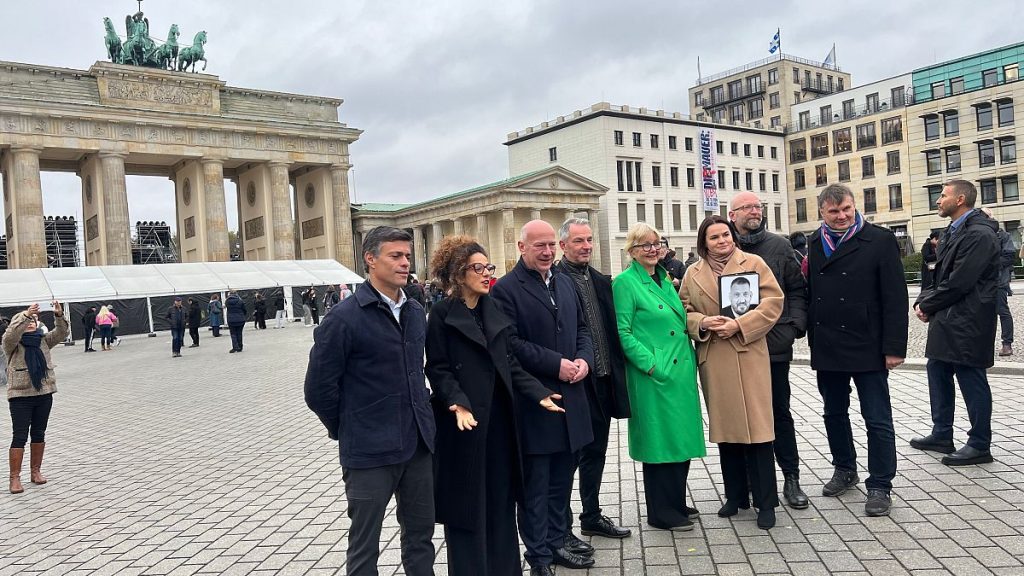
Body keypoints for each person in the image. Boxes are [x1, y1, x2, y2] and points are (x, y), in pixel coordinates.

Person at [426, 235, 563, 576]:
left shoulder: (493, 308)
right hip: (465, 426)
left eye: (488, 266)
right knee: (467, 509)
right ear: (458, 273)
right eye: (478, 268)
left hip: (500, 423)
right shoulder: (441, 314)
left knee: (501, 503)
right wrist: (457, 402)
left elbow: (509, 363)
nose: (487, 273)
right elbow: (438, 368)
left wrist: (537, 392)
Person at [304, 226, 435, 576]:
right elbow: (318, 390)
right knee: (365, 546)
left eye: (407, 256)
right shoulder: (344, 318)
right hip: (369, 452)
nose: (405, 263)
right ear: (370, 259)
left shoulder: (414, 311)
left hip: (417, 446)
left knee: (421, 538)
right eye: (396, 255)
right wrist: (349, 426)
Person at [491, 220, 595, 575]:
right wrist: (556, 364)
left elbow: (582, 328)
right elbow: (511, 344)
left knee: (562, 482)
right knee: (536, 487)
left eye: (552, 245)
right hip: (536, 402)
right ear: (522, 247)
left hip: (572, 399)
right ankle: (538, 556)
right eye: (540, 246)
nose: (548, 252)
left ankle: (557, 540)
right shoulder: (506, 290)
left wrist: (584, 359)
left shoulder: (564, 282)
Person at [806, 184, 907, 517]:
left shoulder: (879, 239)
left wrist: (894, 347)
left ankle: (880, 484)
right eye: (834, 211)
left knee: (877, 418)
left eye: (847, 209)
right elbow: (812, 292)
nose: (842, 216)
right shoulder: (814, 242)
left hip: (868, 343)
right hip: (828, 343)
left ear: (854, 206)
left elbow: (895, 297)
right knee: (833, 413)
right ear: (822, 212)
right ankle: (844, 468)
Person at [680, 215, 784, 530]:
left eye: (725, 234)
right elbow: (682, 310)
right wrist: (702, 323)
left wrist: (739, 325)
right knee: (727, 431)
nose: (722, 241)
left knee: (759, 430)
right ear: (704, 243)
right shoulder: (692, 273)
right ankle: (735, 496)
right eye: (714, 237)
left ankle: (766, 502)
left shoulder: (753, 263)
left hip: (748, 353)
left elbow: (773, 302)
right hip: (715, 357)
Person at [613, 222, 705, 532]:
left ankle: (675, 501)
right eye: (645, 245)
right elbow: (622, 332)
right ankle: (661, 512)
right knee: (659, 443)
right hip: (653, 376)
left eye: (656, 243)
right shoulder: (625, 283)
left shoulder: (664, 278)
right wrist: (651, 365)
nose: (653, 249)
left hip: (679, 372)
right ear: (632, 251)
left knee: (679, 439)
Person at [729, 191, 810, 510]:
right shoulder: (723, 246)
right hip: (737, 347)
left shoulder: (780, 246)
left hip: (774, 344)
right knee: (743, 413)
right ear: (732, 214)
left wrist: (794, 327)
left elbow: (797, 289)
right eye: (747, 207)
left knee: (779, 412)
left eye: (757, 206)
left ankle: (791, 477)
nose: (754, 211)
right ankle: (752, 482)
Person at [554, 218, 632, 544]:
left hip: (601, 379)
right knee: (568, 459)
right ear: (563, 245)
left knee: (596, 452)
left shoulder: (599, 280)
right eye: (578, 241)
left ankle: (591, 516)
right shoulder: (554, 281)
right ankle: (561, 528)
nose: (586, 246)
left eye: (588, 240)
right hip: (572, 383)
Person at [910, 181, 998, 466]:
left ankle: (980, 444)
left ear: (960, 199)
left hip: (969, 319)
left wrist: (928, 305)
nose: (938, 200)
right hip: (947, 317)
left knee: (971, 376)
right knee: (937, 369)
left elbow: (960, 282)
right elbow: (936, 275)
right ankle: (941, 433)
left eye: (943, 195)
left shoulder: (979, 234)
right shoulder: (951, 230)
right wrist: (922, 301)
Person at [4, 301, 68, 494]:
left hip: (44, 393)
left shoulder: (43, 340)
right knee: (20, 436)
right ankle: (15, 478)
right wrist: (25, 315)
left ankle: (35, 471)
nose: (31, 322)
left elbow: (61, 333)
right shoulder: (12, 344)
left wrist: (59, 315)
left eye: (33, 320)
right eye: (27, 320)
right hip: (20, 395)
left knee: (39, 432)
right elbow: (11, 334)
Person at [982, 208, 1015, 357]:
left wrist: (989, 265)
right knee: (982, 313)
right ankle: (983, 345)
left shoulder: (1004, 235)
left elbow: (1009, 256)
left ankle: (1007, 343)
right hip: (981, 282)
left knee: (1002, 311)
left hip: (998, 281)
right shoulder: (979, 235)